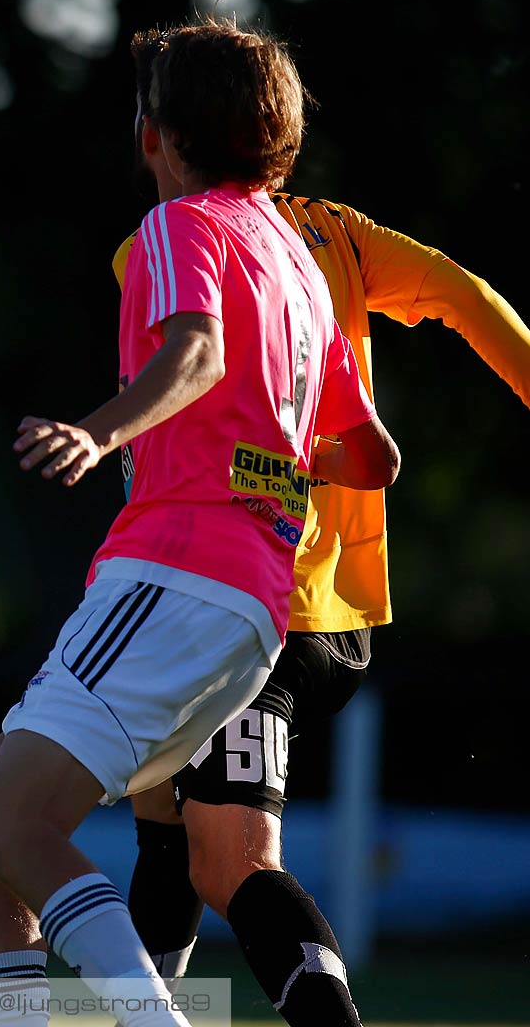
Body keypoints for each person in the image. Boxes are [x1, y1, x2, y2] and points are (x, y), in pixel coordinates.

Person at [0, 20, 401, 1027]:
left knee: (15, 826)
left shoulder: (180, 225)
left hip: (174, 573)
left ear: (153, 131)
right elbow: (373, 457)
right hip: (254, 612)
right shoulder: (297, 263)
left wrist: (99, 434)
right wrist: (265, 454)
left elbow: (193, 351)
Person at [112, 175, 530, 1016]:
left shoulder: (160, 241)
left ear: (166, 132)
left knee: (231, 862)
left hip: (246, 599)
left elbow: (197, 385)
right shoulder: (336, 234)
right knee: (163, 818)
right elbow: (469, 296)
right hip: (333, 609)